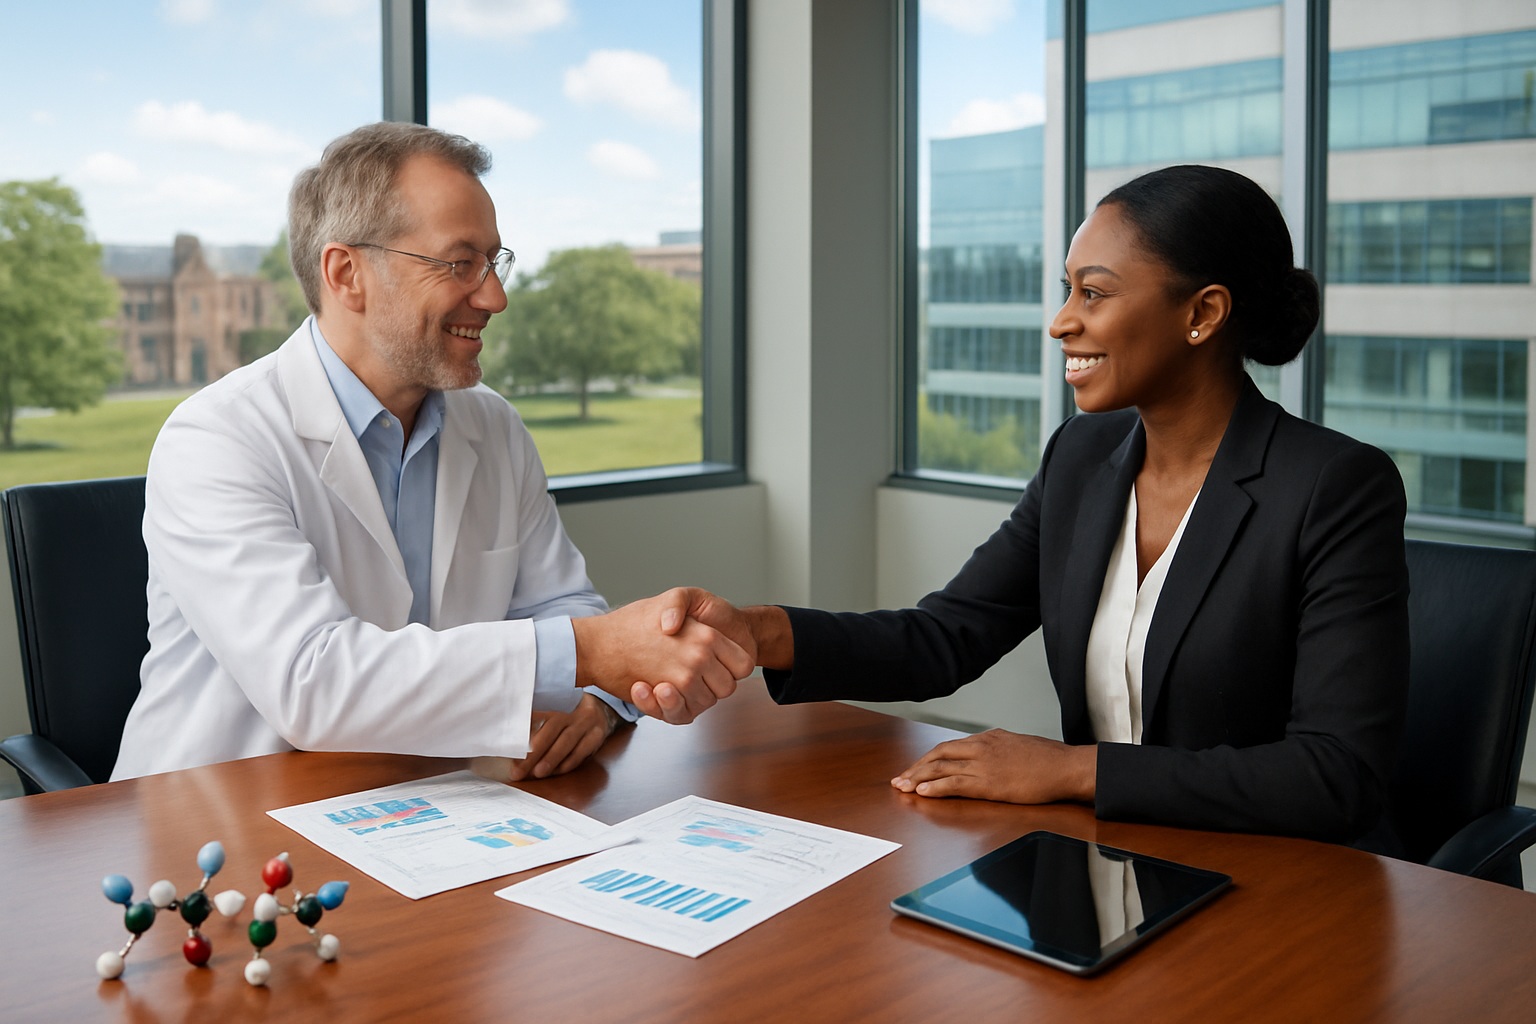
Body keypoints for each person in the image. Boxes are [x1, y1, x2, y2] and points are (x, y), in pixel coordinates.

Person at [660, 164, 1410, 843]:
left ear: (1204, 313)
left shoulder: (1334, 487)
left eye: (1095, 292)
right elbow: (946, 636)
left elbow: (1335, 776)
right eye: (1066, 290)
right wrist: (760, 631)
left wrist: (1072, 771)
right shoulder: (1080, 460)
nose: (1061, 321)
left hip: (1280, 884)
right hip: (1114, 860)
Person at [112, 122, 751, 782]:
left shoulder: (494, 426)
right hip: (220, 825)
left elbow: (565, 608)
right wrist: (592, 653)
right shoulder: (218, 440)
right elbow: (314, 684)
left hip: (427, 809)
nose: (495, 297)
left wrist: (599, 699)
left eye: (494, 262)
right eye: (459, 263)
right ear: (347, 273)